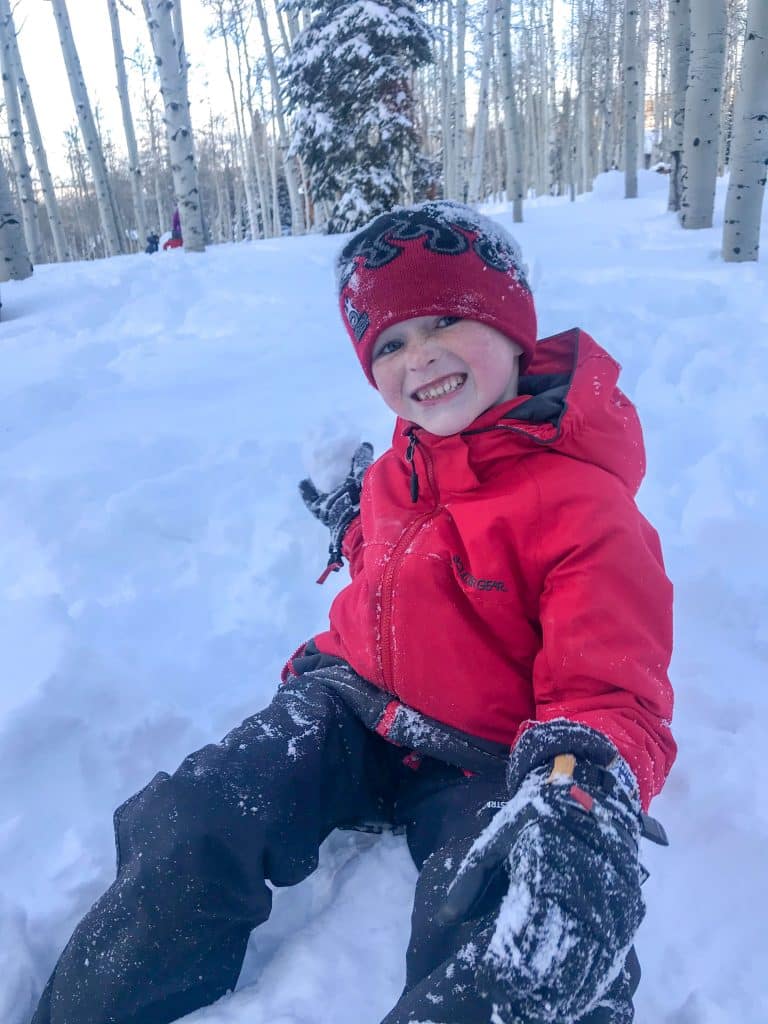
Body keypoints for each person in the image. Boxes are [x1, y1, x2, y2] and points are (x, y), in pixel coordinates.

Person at [30, 201, 675, 1024]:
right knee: (195, 816)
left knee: (514, 917)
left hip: (486, 757)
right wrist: (351, 520)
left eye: (447, 319)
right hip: (350, 709)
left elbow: (612, 688)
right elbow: (397, 552)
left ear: (515, 325)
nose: (421, 355)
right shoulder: (399, 467)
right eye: (391, 343)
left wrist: (582, 792)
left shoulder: (587, 509)